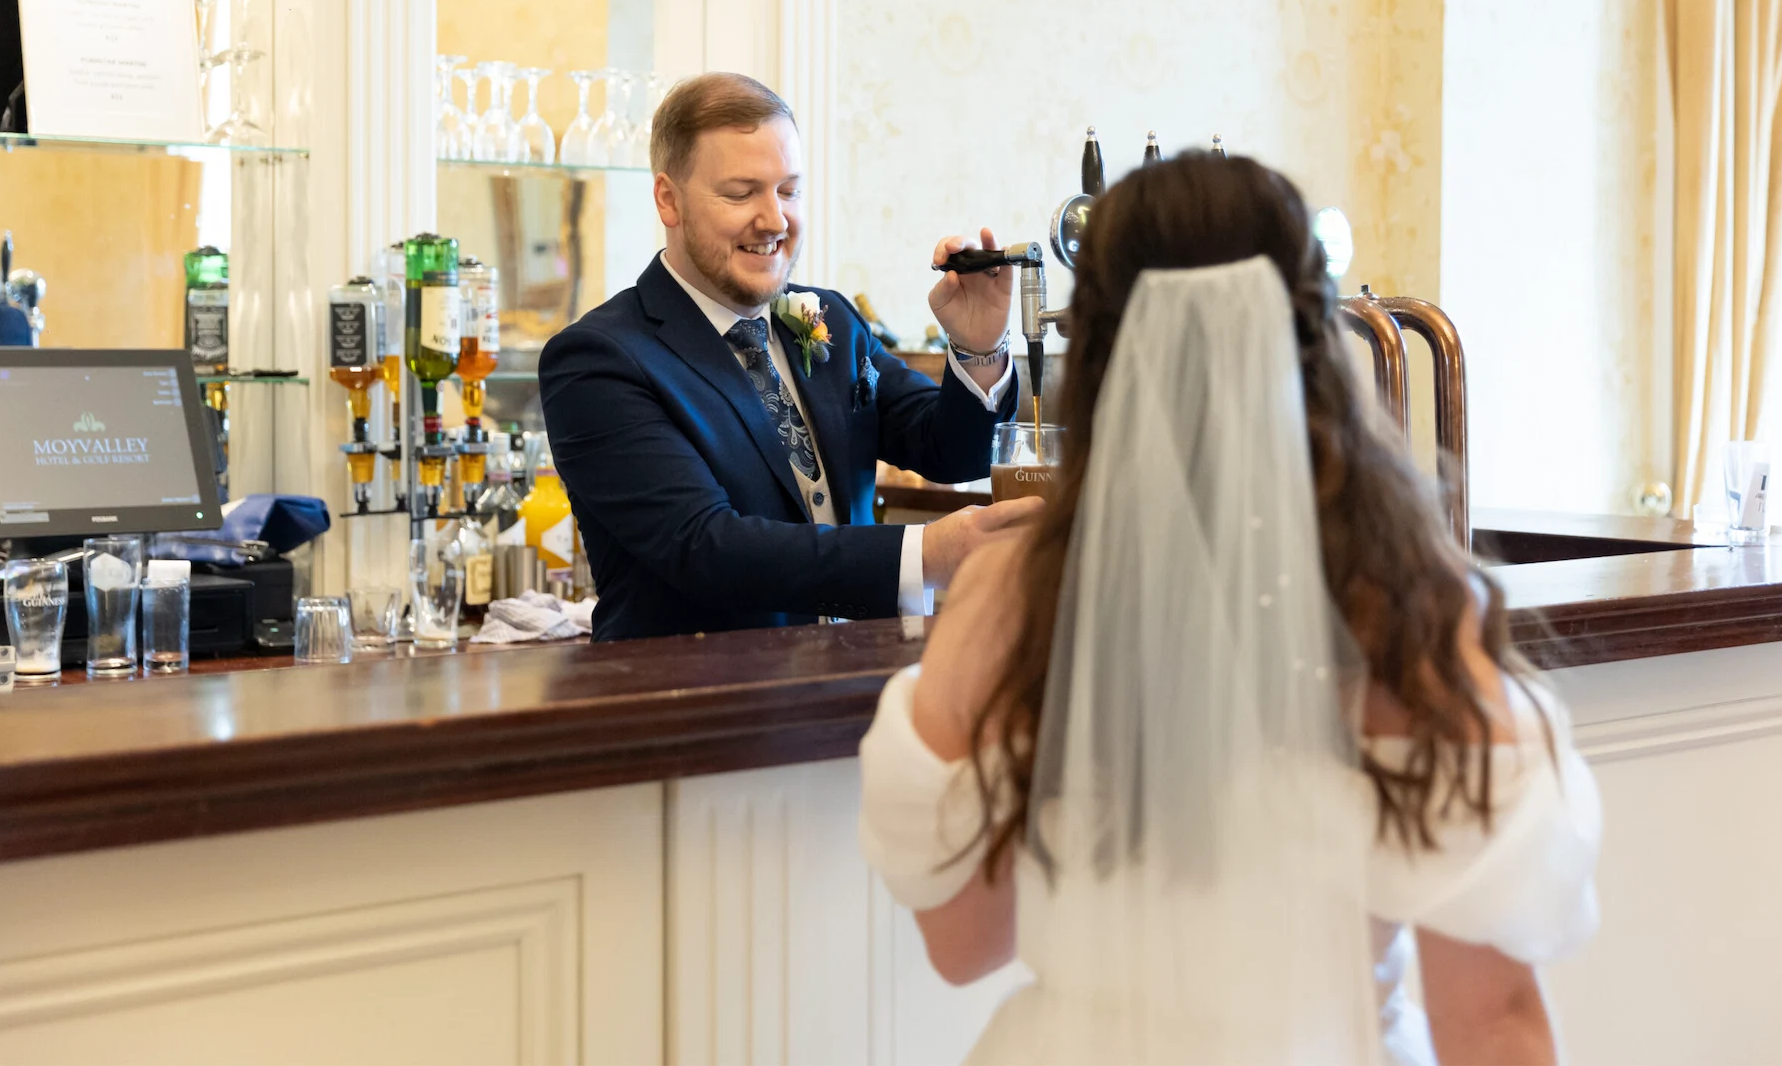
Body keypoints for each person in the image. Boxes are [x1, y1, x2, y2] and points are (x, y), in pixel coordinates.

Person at [858, 154, 1602, 1065]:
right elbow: (1491, 1020)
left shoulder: (1009, 596)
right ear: (1316, 347)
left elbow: (964, 943)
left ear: (1098, 358)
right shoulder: (1403, 612)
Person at [540, 73, 1038, 640]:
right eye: (741, 193)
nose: (775, 220)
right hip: (698, 690)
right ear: (668, 200)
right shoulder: (598, 359)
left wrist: (978, 347)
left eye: (788, 191)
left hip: (858, 678)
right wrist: (925, 552)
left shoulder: (832, 319)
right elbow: (705, 549)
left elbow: (954, 453)